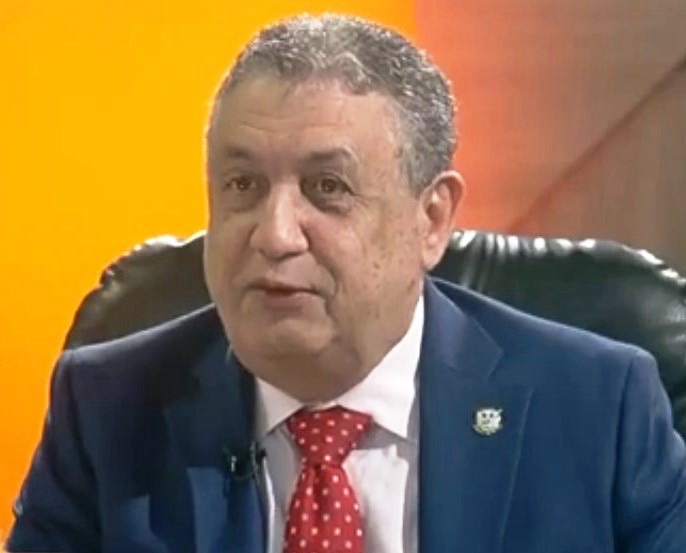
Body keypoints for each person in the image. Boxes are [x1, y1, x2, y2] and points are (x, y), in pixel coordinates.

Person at [6, 13, 686, 553]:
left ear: (431, 219)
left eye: (327, 187)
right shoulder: (107, 410)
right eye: (242, 184)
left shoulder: (599, 408)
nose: (275, 234)